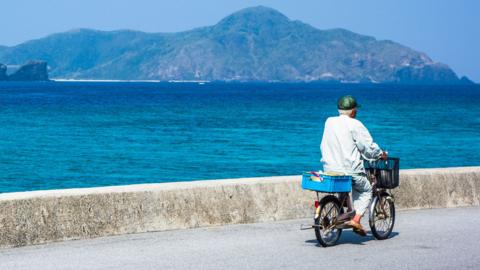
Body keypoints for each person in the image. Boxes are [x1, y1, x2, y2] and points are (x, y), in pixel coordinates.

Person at [320, 95, 387, 236]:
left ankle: (342, 213)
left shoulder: (329, 122)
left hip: (330, 168)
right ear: (352, 111)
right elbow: (367, 147)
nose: (356, 111)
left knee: (345, 187)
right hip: (349, 170)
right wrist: (380, 154)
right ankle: (356, 220)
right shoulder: (355, 124)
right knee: (366, 190)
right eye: (355, 109)